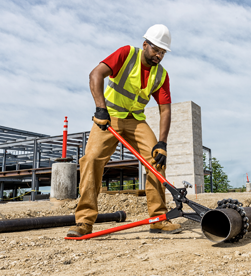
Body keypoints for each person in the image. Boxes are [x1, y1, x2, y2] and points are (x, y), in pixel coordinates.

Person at [67, 24, 181, 237]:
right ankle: (84, 222)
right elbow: (96, 74)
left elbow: (165, 110)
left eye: (163, 52)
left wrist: (162, 143)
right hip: (108, 118)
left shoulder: (161, 75)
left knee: (156, 160)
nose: (159, 55)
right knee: (91, 160)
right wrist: (101, 109)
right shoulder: (127, 54)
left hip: (136, 121)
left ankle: (158, 219)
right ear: (145, 44)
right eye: (156, 49)